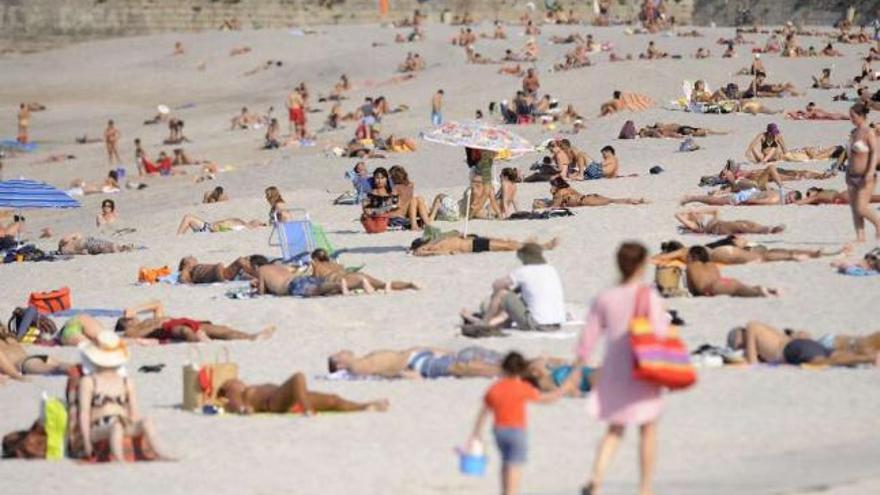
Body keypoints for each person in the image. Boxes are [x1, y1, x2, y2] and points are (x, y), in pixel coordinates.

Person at [571, 242, 668, 495]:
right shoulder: (648, 296)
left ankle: (596, 478)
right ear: (642, 265)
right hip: (641, 366)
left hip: (614, 369)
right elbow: (660, 332)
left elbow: (588, 339)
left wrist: (577, 366)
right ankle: (645, 488)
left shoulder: (606, 297)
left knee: (615, 427)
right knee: (647, 428)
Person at [469, 352, 566, 495]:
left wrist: (476, 433)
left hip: (499, 431)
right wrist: (560, 392)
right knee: (515, 465)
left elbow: (483, 412)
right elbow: (542, 399)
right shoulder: (522, 387)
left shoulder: (495, 388)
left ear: (503, 368)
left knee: (505, 461)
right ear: (521, 369)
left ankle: (505, 491)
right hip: (516, 431)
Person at [77, 331, 171, 461]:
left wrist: (136, 424)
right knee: (116, 427)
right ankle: (119, 459)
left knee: (147, 422)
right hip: (98, 428)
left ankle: (161, 453)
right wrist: (86, 441)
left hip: (123, 423)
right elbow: (84, 413)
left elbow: (134, 412)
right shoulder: (89, 382)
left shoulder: (126, 382)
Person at [460, 243, 566, 331]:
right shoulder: (551, 269)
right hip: (556, 324)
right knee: (519, 298)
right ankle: (493, 322)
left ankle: (485, 322)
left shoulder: (524, 271)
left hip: (537, 324)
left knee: (502, 294)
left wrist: (500, 297)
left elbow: (497, 285)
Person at [217, 373, 388, 415]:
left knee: (332, 399)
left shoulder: (246, 386)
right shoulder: (231, 388)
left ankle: (365, 406)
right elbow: (234, 405)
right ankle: (308, 410)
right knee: (298, 378)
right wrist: (242, 409)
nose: (237, 379)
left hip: (289, 398)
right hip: (273, 402)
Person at [114, 300, 275, 343]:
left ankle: (251, 337)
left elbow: (157, 303)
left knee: (222, 329)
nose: (134, 318)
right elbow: (134, 336)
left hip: (181, 321)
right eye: (130, 318)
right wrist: (157, 324)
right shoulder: (131, 331)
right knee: (184, 331)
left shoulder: (148, 318)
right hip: (167, 328)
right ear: (126, 323)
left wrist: (135, 308)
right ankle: (201, 342)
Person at [727, 322, 880, 366]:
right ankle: (867, 356)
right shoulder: (764, 329)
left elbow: (752, 362)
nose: (740, 347)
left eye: (738, 344)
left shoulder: (751, 327)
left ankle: (868, 358)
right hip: (801, 344)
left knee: (826, 360)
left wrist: (742, 355)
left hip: (793, 349)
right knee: (831, 354)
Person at [328, 346, 506, 379]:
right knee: (462, 367)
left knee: (472, 356)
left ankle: (505, 366)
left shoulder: (363, 360)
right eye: (338, 355)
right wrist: (403, 374)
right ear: (340, 366)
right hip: (418, 364)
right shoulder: (358, 366)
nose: (341, 351)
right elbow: (382, 372)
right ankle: (502, 371)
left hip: (419, 356)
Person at [652, 238, 850, 265]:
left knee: (762, 257)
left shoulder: (681, 253)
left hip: (721, 254)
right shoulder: (691, 247)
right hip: (724, 249)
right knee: (767, 252)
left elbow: (659, 258)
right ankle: (814, 253)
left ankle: (796, 256)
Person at [845, 102, 880, 242]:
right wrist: (847, 172)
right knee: (854, 209)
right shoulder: (854, 133)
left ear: (861, 115)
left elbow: (874, 153)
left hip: (866, 175)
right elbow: (851, 155)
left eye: (853, 116)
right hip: (852, 174)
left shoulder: (868, 132)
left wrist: (870, 171)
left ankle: (878, 223)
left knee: (861, 208)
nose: (851, 119)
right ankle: (860, 236)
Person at [685, 246, 779, 297]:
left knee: (742, 291)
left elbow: (692, 290)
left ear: (693, 256)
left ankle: (758, 292)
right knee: (739, 289)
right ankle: (762, 289)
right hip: (725, 281)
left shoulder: (690, 266)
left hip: (710, 288)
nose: (686, 258)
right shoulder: (712, 264)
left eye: (687, 256)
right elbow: (718, 278)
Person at [410, 227, 559, 256]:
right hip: (472, 246)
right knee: (507, 246)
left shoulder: (437, 241)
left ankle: (529, 244)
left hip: (473, 240)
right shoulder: (432, 249)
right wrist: (422, 250)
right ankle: (541, 247)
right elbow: (446, 252)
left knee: (505, 241)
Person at [0, 323, 71, 382]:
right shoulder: (9, 337)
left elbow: (3, 361)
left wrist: (16, 376)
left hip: (25, 364)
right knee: (62, 365)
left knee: (55, 368)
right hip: (35, 357)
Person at [538, 177, 647, 208]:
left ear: (556, 185)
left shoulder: (559, 193)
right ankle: (636, 201)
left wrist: (551, 197)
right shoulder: (568, 188)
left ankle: (636, 201)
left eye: (552, 185)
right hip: (589, 196)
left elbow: (555, 206)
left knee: (611, 201)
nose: (551, 186)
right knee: (612, 200)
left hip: (586, 201)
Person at [675, 209, 785, 235]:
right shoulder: (695, 225)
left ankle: (764, 227)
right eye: (695, 214)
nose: (698, 213)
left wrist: (699, 210)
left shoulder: (705, 220)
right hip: (718, 228)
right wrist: (689, 213)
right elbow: (677, 215)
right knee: (741, 225)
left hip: (722, 224)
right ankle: (768, 230)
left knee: (745, 221)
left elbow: (716, 210)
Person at [178, 255, 264, 284]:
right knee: (240, 261)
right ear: (185, 263)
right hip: (218, 274)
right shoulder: (187, 270)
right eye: (190, 258)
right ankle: (263, 276)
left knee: (245, 261)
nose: (193, 258)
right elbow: (183, 279)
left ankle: (259, 275)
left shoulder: (195, 267)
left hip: (219, 271)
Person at [176, 215, 265, 235]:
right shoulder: (241, 224)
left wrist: (214, 227)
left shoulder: (241, 227)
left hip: (208, 229)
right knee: (188, 218)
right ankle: (179, 236)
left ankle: (179, 237)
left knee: (188, 218)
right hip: (209, 227)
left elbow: (222, 229)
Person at [58, 233, 134, 255]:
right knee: (102, 247)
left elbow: (77, 234)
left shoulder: (70, 239)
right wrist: (80, 252)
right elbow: (74, 252)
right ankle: (122, 248)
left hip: (88, 241)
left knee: (104, 244)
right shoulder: (64, 249)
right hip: (87, 246)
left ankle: (121, 248)